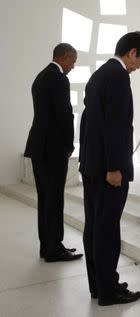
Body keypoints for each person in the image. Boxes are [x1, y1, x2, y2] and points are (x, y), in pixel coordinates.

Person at [79, 31, 140, 306]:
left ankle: (99, 285)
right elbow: (115, 127)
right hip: (108, 170)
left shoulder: (99, 74)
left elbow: (89, 122)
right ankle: (110, 292)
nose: (138, 66)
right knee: (107, 229)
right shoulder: (119, 77)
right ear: (132, 52)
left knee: (94, 227)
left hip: (91, 166)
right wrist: (114, 167)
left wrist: (89, 162)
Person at [24, 43, 83, 262]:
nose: (73, 67)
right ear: (65, 57)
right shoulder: (59, 79)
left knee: (45, 199)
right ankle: (54, 248)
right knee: (55, 199)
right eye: (73, 61)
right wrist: (70, 144)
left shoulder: (40, 77)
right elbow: (64, 114)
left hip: (39, 147)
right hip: (53, 149)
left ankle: (46, 246)